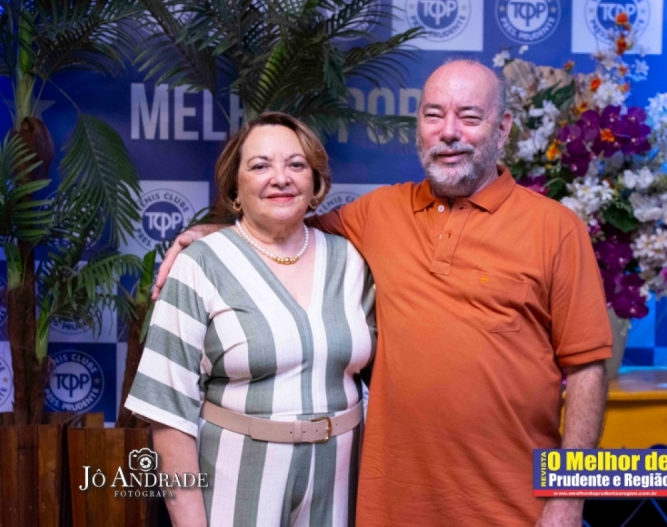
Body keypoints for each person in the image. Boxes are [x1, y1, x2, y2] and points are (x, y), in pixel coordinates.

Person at [155, 60, 612, 527]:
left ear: (503, 127)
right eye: (433, 115)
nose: (448, 132)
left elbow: (587, 372)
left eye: (469, 117)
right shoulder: (379, 213)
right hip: (390, 508)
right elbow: (281, 229)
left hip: (514, 508)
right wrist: (211, 238)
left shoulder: (557, 229)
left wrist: (568, 499)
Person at [125, 112, 376, 527]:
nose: (280, 178)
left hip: (338, 488)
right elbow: (168, 415)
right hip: (235, 482)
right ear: (235, 187)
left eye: (296, 164)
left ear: (315, 181)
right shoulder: (199, 265)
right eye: (260, 166)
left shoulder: (350, 260)